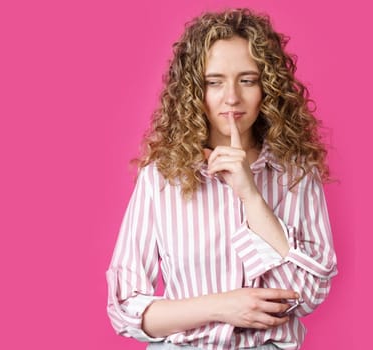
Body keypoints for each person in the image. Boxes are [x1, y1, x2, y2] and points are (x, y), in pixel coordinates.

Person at [105, 8, 337, 350]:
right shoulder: (159, 176)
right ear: (193, 91)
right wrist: (225, 306)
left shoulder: (296, 171)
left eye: (247, 79)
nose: (231, 97)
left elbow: (306, 296)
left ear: (267, 88)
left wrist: (250, 196)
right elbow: (125, 308)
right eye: (214, 82)